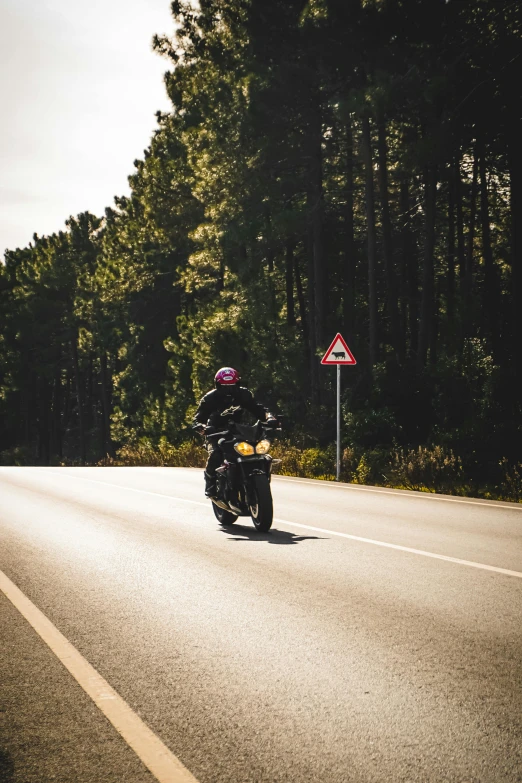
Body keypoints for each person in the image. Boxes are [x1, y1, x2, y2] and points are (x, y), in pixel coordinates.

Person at [193, 367, 276, 497]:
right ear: (217, 385)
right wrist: (201, 427)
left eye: (232, 386)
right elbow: (198, 418)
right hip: (215, 432)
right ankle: (210, 482)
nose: (229, 391)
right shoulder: (209, 398)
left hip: (238, 430)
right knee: (216, 453)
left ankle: (257, 478)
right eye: (224, 387)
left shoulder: (244, 394)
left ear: (238, 384)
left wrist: (270, 418)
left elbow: (258, 409)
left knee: (259, 450)